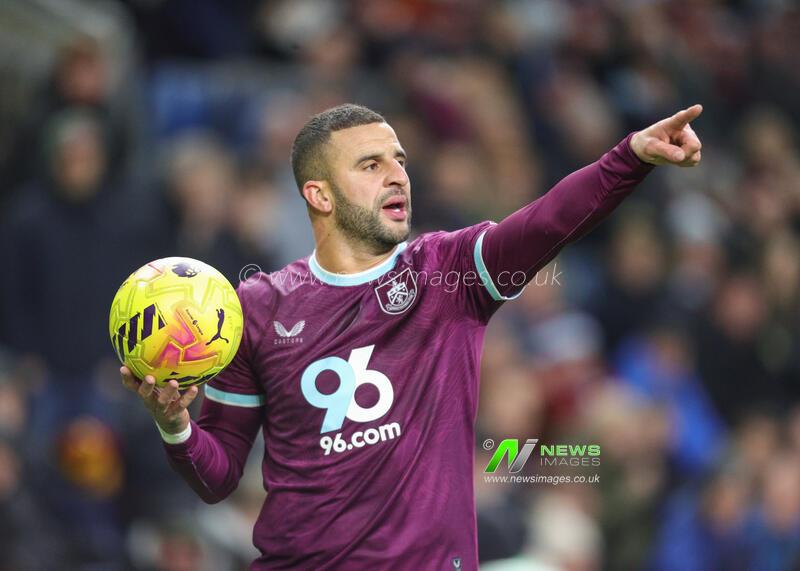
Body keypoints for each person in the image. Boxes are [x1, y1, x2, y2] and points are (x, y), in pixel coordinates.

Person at [120, 102, 703, 569]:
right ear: (318, 195)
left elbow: (548, 220)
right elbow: (218, 477)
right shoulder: (256, 308)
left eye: (398, 160)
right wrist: (175, 424)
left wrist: (631, 157)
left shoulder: (449, 274)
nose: (397, 174)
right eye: (370, 165)